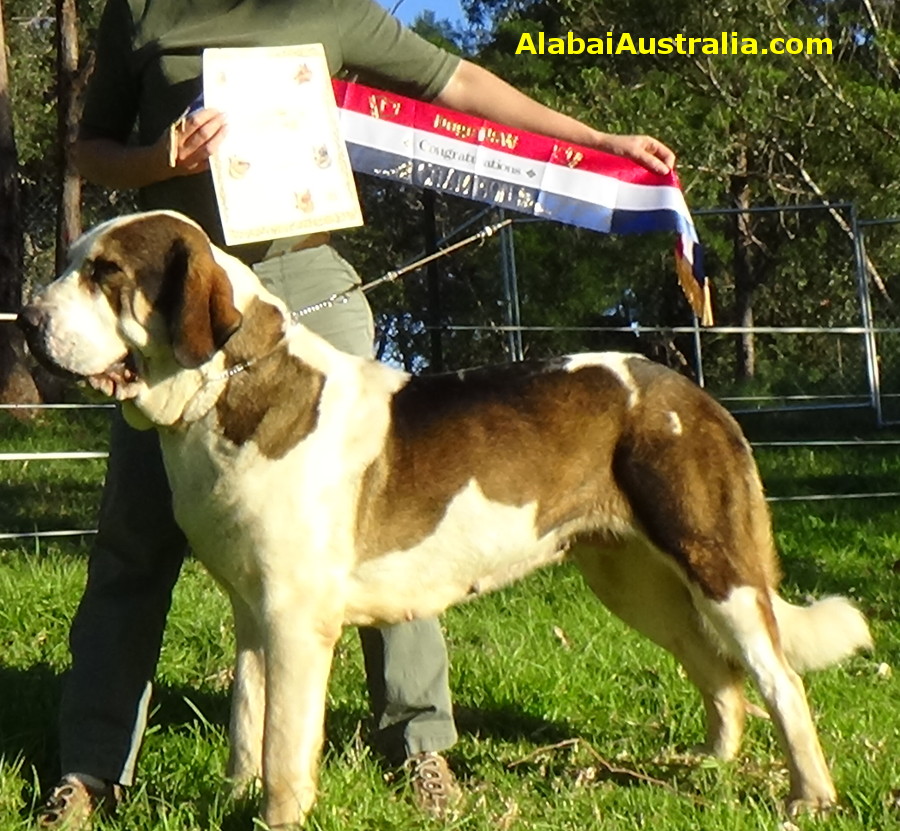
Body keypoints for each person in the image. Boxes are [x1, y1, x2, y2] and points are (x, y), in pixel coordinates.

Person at [35, 0, 675, 827]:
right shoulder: (144, 9)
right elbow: (89, 149)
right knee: (136, 536)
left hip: (306, 290)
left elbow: (462, 83)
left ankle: (421, 747)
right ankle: (89, 769)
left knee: (393, 516)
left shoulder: (331, 7)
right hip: (169, 313)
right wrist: (158, 156)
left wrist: (593, 142)